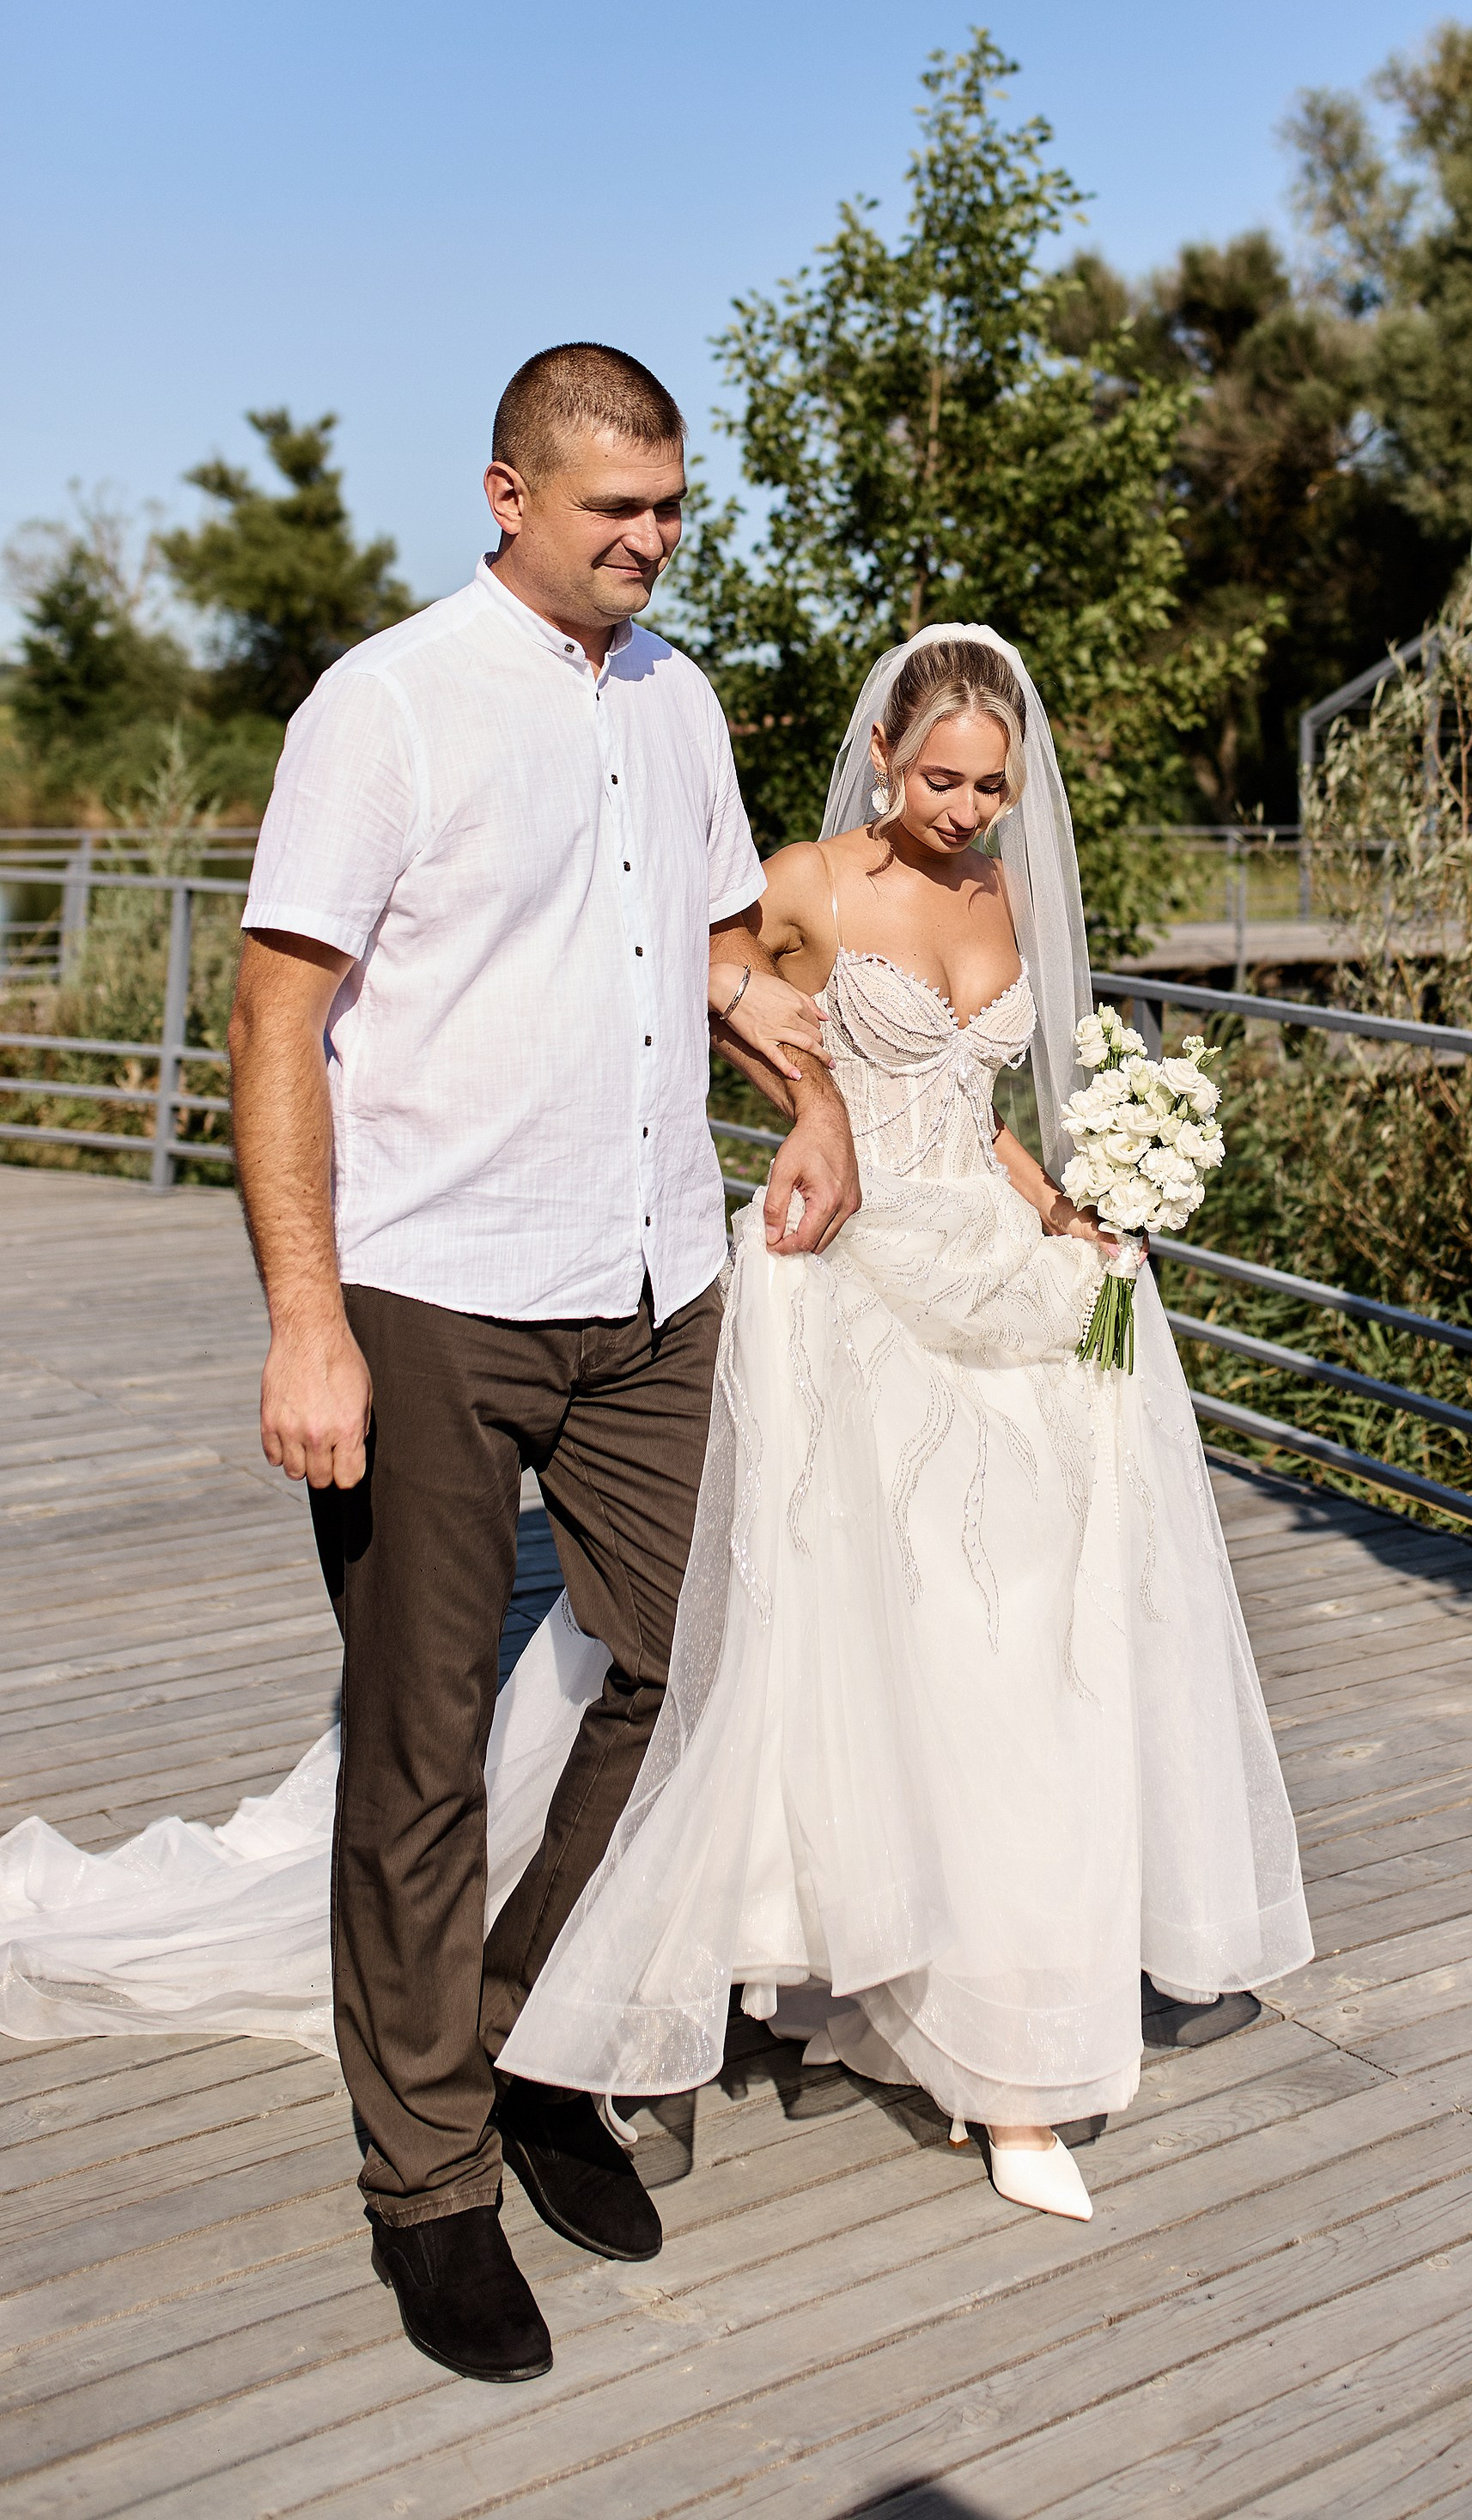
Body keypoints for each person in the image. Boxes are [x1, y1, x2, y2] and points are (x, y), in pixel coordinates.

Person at [0, 627, 1309, 2325]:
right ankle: (531, 2114)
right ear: (887, 757)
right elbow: (716, 1004)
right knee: (779, 1645)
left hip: (984, 1273)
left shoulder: (988, 895)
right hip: (803, 1279)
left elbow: (971, 1106)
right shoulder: (793, 882)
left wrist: (1073, 1200)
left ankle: (965, 2005)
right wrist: (791, 1140)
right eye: (941, 778)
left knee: (1002, 1650)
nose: (968, 811)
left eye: (992, 786)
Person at [2, 342, 859, 2387]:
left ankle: (535, 2040)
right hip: (434, 1293)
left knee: (691, 1663)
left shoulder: (680, 704)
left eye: (670, 507)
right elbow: (272, 1021)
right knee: (423, 1744)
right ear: (505, 495)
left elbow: (717, 949)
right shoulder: (378, 703)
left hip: (653, 1280)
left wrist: (802, 1088)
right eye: (611, 511)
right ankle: (431, 2187)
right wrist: (307, 1317)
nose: (649, 541)